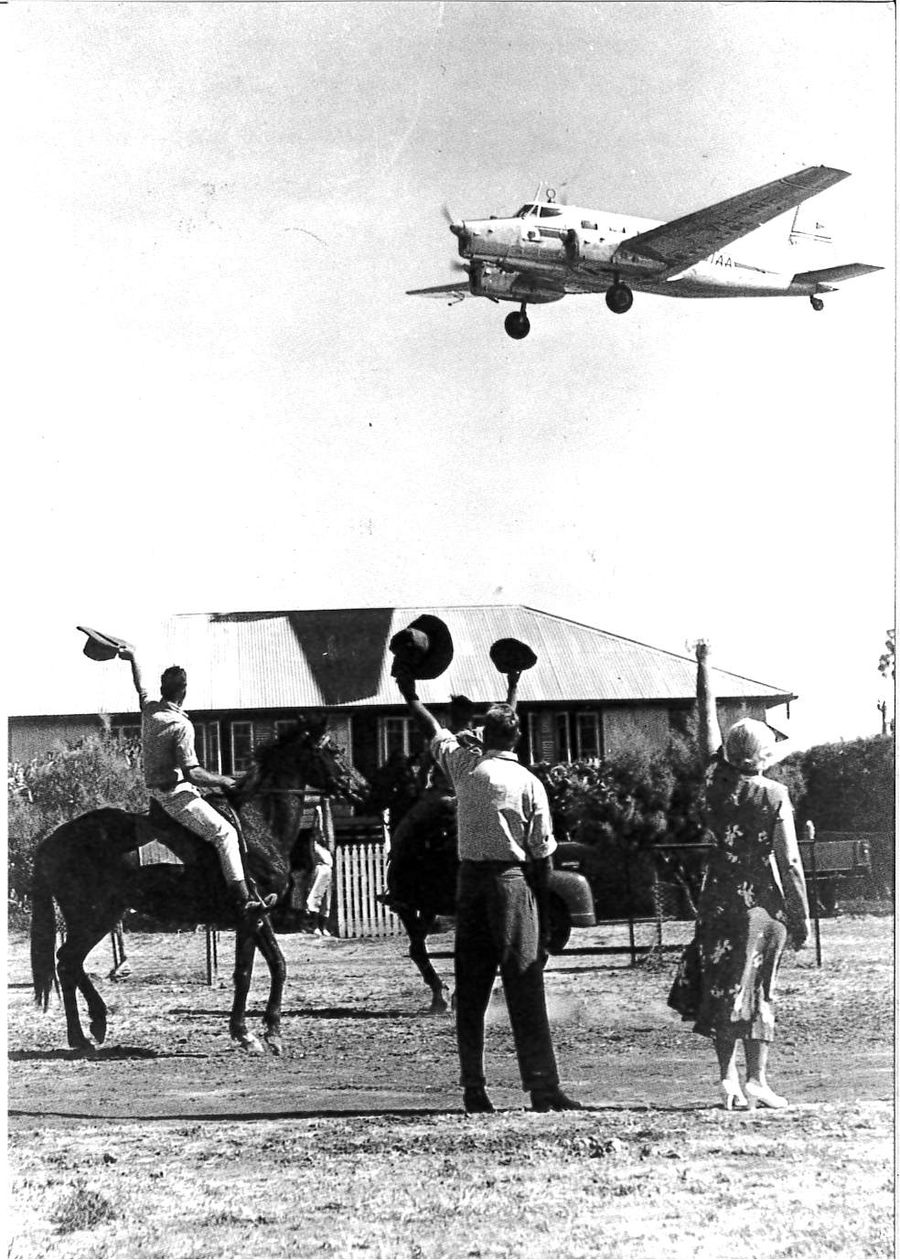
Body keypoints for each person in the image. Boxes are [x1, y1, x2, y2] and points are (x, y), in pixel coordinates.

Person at [394, 663, 582, 1115]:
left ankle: (474, 1089)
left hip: (469, 886)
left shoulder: (464, 768)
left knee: (472, 989)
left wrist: (408, 692)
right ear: (518, 740)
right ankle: (542, 1088)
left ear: (486, 734)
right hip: (513, 884)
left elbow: (434, 727)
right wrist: (538, 904)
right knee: (525, 984)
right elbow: (542, 853)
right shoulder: (529, 783)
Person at [668, 641, 810, 1109]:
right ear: (766, 755)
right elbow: (789, 862)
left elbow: (706, 722)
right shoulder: (774, 795)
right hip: (762, 906)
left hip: (717, 899)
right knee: (758, 988)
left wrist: (703, 664)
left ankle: (726, 1078)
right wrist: (801, 916)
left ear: (730, 752)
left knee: (722, 983)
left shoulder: (715, 780)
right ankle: (757, 1079)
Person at [118, 646, 275, 916]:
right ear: (184, 691)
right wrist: (224, 780)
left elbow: (140, 686)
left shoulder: (150, 710)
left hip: (157, 794)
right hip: (176, 797)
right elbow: (193, 772)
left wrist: (133, 658)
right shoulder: (180, 726)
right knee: (225, 834)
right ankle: (244, 900)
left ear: (163, 689)